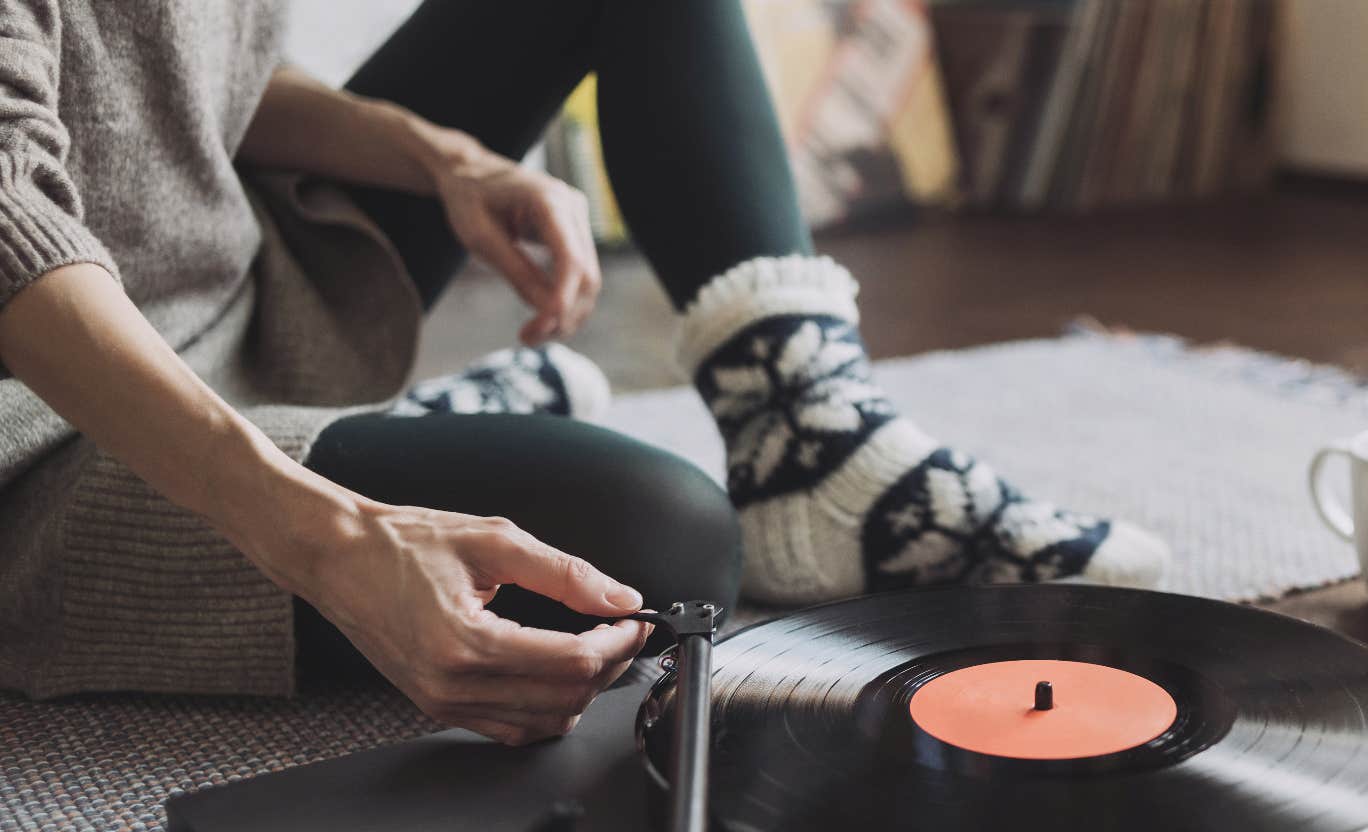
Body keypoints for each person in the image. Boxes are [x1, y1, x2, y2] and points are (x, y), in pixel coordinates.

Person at [0, 0, 1166, 745]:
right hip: (50, 430)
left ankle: (813, 437)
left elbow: (190, 88)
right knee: (658, 538)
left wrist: (446, 160)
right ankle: (424, 434)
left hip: (227, 297)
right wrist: (339, 541)